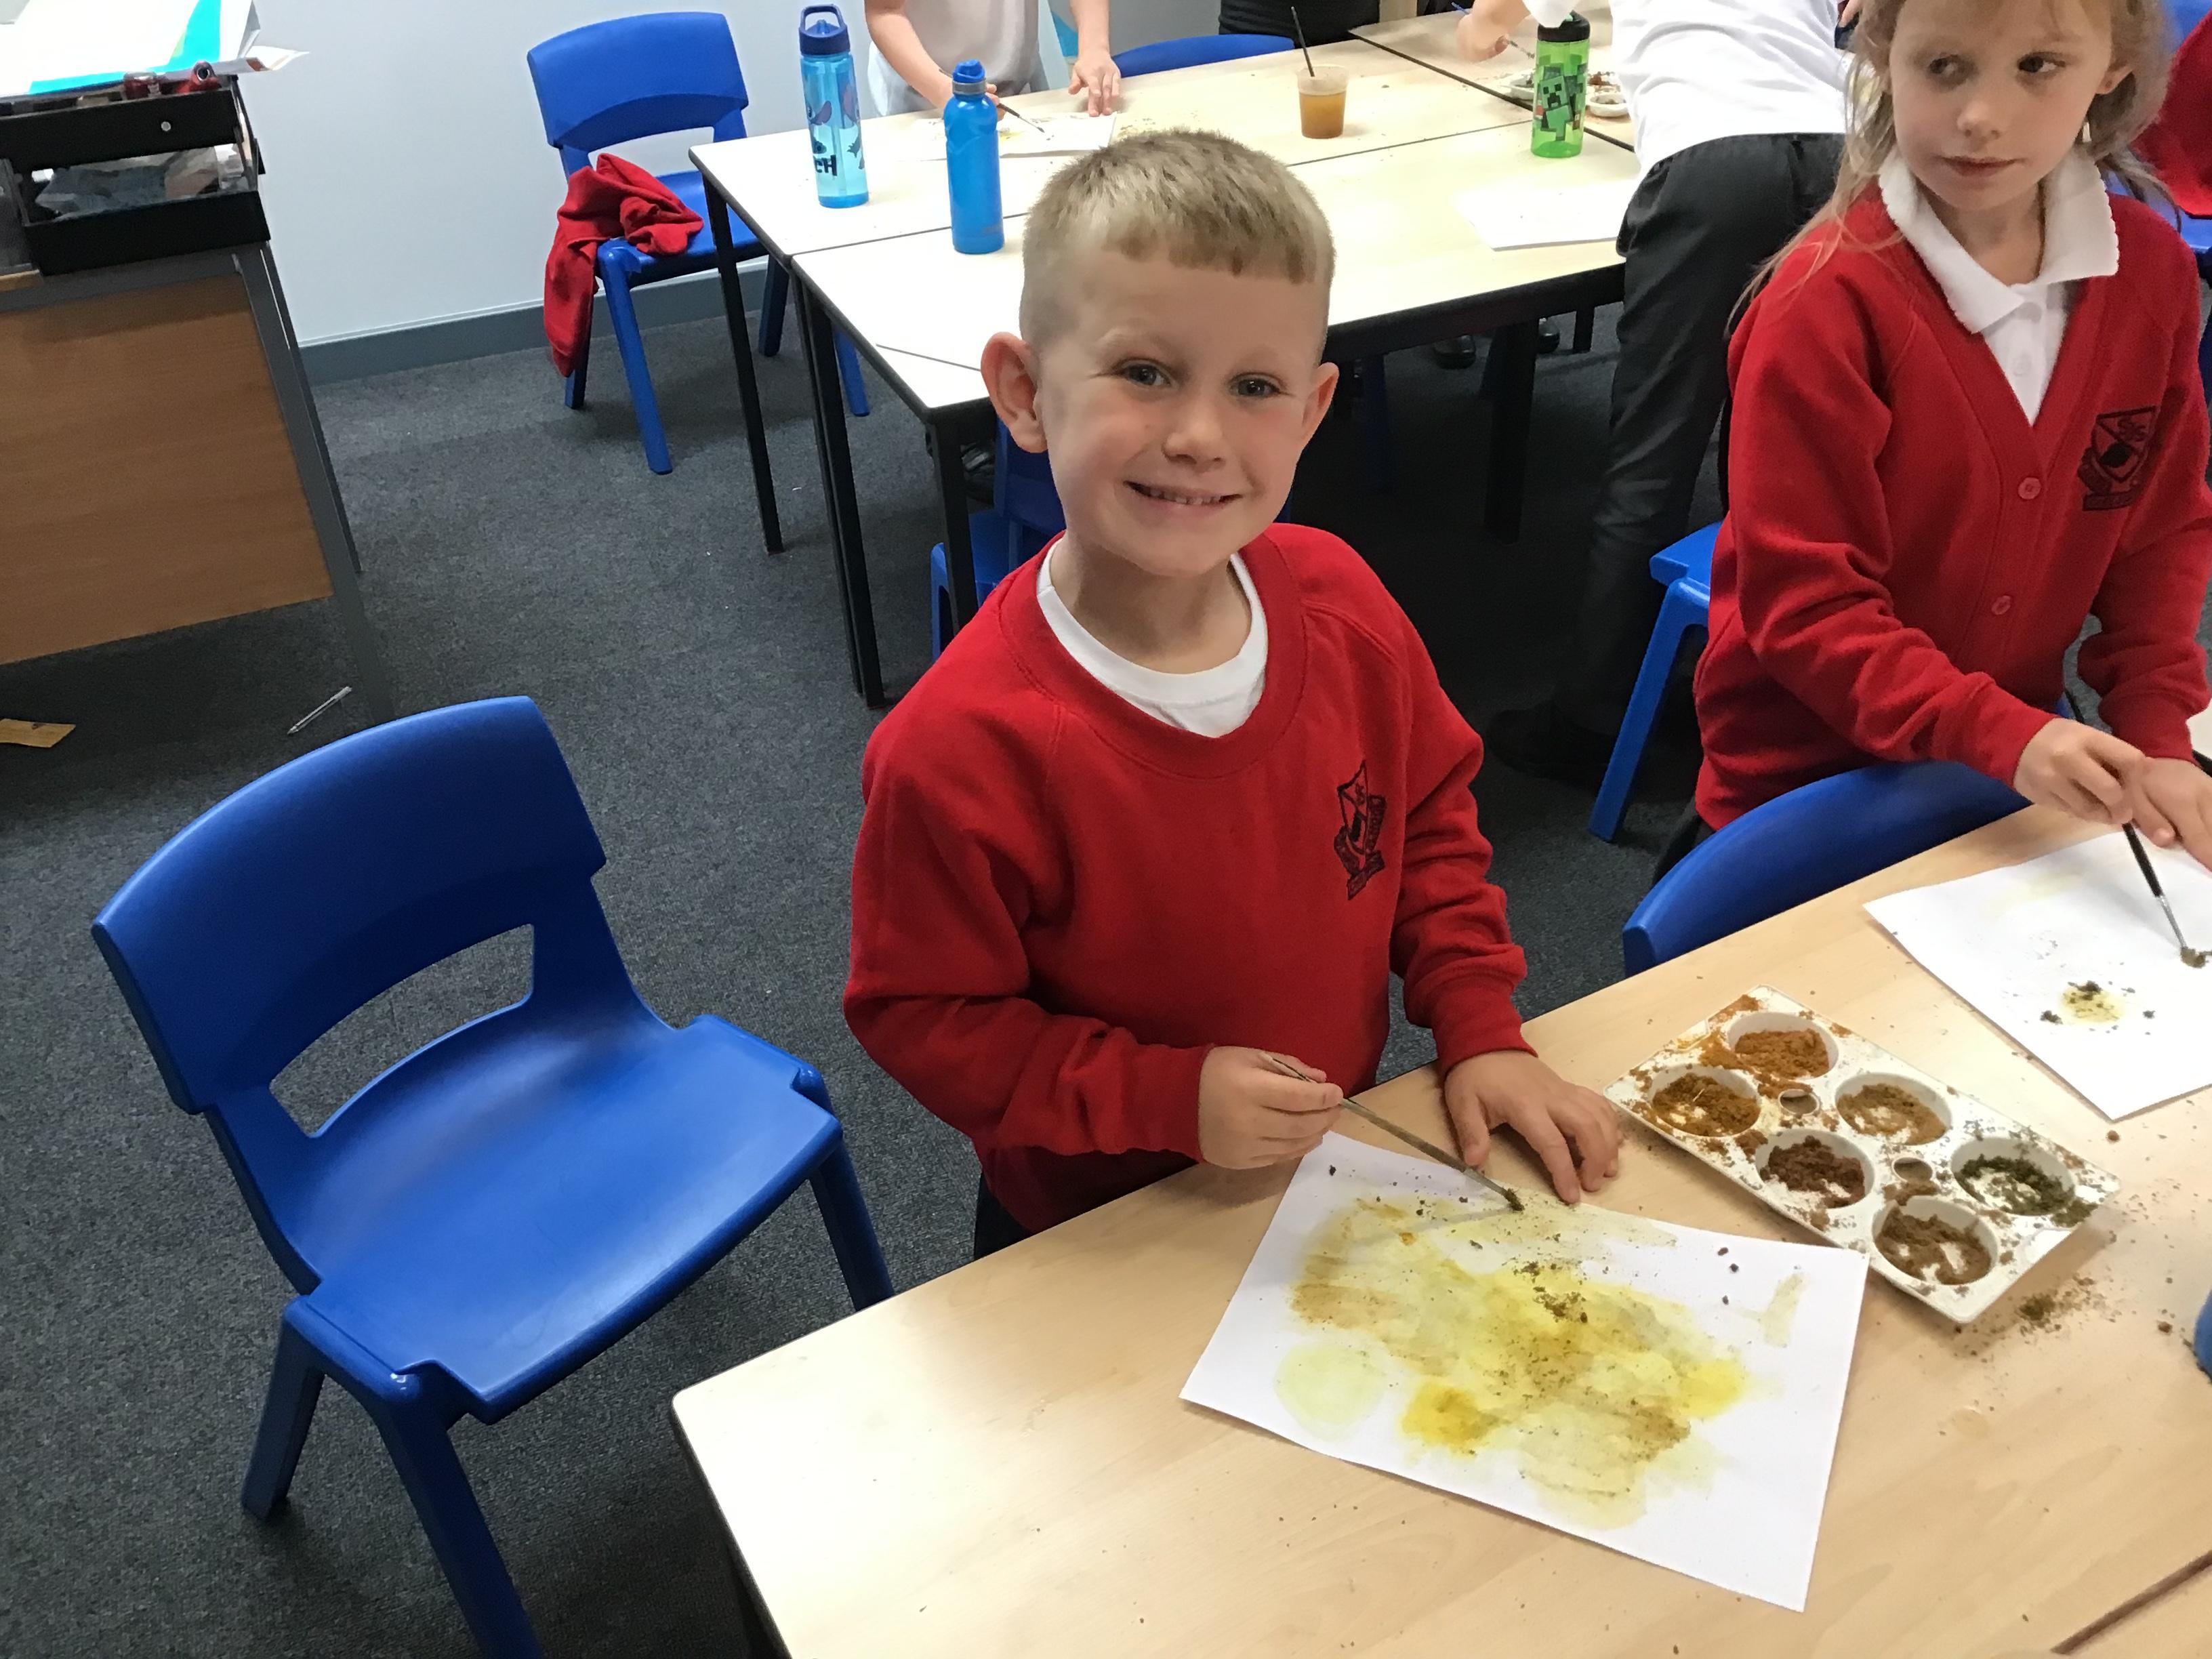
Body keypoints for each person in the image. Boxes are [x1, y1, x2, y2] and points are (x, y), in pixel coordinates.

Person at [844, 131, 1621, 1258]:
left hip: (1314, 1172)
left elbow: (1426, 827)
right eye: (1144, 372)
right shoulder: (960, 746)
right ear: (1023, 392)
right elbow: (924, 1017)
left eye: (1253, 387)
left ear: (1310, 410)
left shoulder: (1342, 602)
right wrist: (1162, 1097)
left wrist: (1480, 1026)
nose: (1200, 436)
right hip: (1090, 1225)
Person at [1685, 0, 2212, 872]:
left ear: (2112, 67)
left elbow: (2157, 538)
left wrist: (2156, 732)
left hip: (2005, 777)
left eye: (2037, 67)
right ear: (1883, 56)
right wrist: (2002, 734)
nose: (1980, 117)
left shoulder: (2149, 274)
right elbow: (1808, 607)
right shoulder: (1825, 305)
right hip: (1805, 792)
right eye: (1944, 67)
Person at [1455, 1, 1857, 788]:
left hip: (1715, 163)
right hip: (1842, 156)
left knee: (1655, 454)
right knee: (1789, 449)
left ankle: (1594, 718)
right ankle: (1768, 688)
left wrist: (1479, 29)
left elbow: (1494, 19)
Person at [867, 0, 1120, 116]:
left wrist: (1094, 48)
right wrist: (942, 91)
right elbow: (885, 11)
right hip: (924, 97)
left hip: (1016, 88)